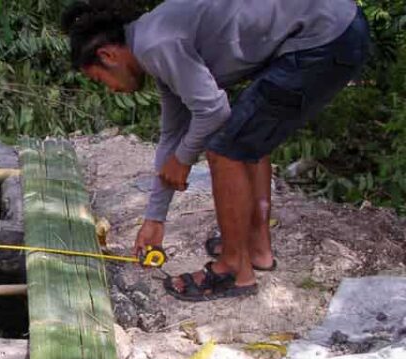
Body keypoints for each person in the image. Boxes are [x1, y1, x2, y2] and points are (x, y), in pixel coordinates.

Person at [61, 0, 370, 301]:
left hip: (324, 36)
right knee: (247, 136)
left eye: (100, 80)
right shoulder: (153, 41)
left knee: (224, 149)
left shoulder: (156, 45)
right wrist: (155, 218)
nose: (111, 89)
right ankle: (257, 248)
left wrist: (183, 160)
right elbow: (172, 135)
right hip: (337, 24)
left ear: (108, 55)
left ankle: (234, 269)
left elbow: (213, 111)